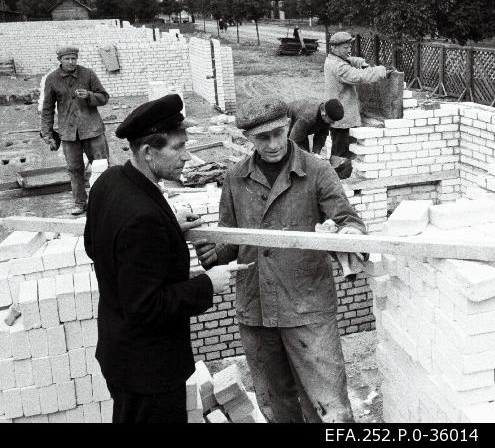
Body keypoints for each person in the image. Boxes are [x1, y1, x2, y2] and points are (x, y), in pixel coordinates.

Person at [193, 97, 366, 423]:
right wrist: (213, 253)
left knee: (331, 409)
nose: (273, 144)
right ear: (248, 138)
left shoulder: (317, 171)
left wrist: (348, 235)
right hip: (257, 311)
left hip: (307, 309)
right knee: (277, 407)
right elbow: (231, 241)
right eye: (262, 138)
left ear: (289, 126)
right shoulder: (235, 178)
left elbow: (349, 221)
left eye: (278, 133)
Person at [84, 94, 247, 423]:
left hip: (121, 352)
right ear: (148, 151)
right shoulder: (142, 217)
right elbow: (146, 307)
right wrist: (207, 284)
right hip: (149, 369)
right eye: (177, 147)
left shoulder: (111, 181)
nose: (188, 156)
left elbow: (95, 246)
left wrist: (168, 226)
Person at [40, 46, 111, 215]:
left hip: (92, 129)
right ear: (60, 60)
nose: (71, 62)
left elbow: (104, 97)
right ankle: (80, 203)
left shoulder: (88, 74)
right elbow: (47, 108)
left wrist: (89, 95)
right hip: (68, 133)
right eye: (67, 59)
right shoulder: (52, 79)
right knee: (74, 169)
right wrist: (47, 132)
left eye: (73, 58)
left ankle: (106, 200)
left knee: (101, 166)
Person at [324, 31, 391, 159]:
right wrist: (380, 71)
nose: (348, 50)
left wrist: (360, 62)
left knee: (341, 152)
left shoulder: (332, 59)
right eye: (345, 48)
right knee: (340, 156)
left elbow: (348, 60)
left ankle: (340, 174)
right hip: (342, 120)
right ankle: (338, 177)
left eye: (349, 47)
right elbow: (359, 76)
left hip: (338, 115)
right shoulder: (339, 67)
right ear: (334, 48)